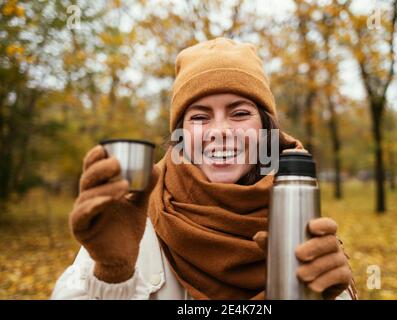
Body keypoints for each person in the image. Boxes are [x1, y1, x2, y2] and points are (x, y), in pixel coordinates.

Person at [51, 37, 357, 300]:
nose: (220, 130)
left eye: (239, 113)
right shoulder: (133, 216)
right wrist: (109, 276)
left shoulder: (296, 209)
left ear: (265, 128)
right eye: (199, 117)